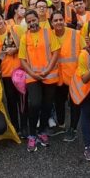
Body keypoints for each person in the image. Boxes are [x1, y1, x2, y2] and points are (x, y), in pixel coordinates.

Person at [18, 10, 60, 152]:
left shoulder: (49, 33)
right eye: (29, 21)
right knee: (34, 104)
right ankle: (32, 134)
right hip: (32, 76)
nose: (32, 23)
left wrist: (47, 70)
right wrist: (32, 74)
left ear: (38, 19)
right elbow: (22, 59)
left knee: (47, 105)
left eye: (33, 20)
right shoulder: (25, 37)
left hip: (49, 74)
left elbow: (56, 52)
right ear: (26, 23)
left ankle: (42, 131)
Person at [0, 12, 25, 137]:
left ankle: (25, 126)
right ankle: (16, 127)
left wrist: (16, 49)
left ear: (3, 19)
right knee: (11, 101)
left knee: (22, 101)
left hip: (20, 71)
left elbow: (26, 45)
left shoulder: (15, 29)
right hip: (6, 74)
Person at [50, 11, 84, 141]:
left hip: (74, 74)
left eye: (60, 19)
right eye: (55, 20)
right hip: (57, 76)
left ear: (64, 20)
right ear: (51, 23)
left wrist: (81, 71)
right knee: (59, 101)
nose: (58, 22)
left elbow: (84, 51)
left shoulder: (75, 33)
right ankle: (61, 125)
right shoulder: (49, 35)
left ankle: (73, 129)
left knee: (75, 102)